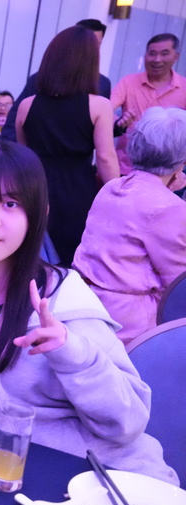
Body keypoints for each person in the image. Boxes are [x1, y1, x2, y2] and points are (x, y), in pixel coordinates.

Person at [0, 141, 176, 484]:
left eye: (10, 204)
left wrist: (73, 354)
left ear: (37, 215)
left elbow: (128, 424)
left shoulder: (62, 297)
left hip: (100, 477)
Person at [74, 107, 186, 344]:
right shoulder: (169, 207)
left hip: (83, 305)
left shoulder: (112, 187)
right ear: (181, 160)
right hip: (128, 325)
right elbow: (178, 284)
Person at [16, 25, 119, 266]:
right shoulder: (99, 105)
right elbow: (105, 158)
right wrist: (117, 196)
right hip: (77, 190)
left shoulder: (27, 105)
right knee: (70, 261)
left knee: (30, 256)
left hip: (35, 189)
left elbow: (23, 154)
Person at [1, 18, 112, 142]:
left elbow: (101, 131)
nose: (91, 50)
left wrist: (118, 127)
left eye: (97, 44)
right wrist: (9, 148)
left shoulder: (102, 84)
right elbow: (14, 120)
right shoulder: (41, 79)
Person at [110, 34, 186, 175]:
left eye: (164, 54)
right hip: (127, 169)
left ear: (176, 57)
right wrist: (119, 122)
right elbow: (106, 110)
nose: (157, 60)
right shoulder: (128, 82)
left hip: (167, 174)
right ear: (145, 56)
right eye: (152, 54)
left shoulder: (184, 87)